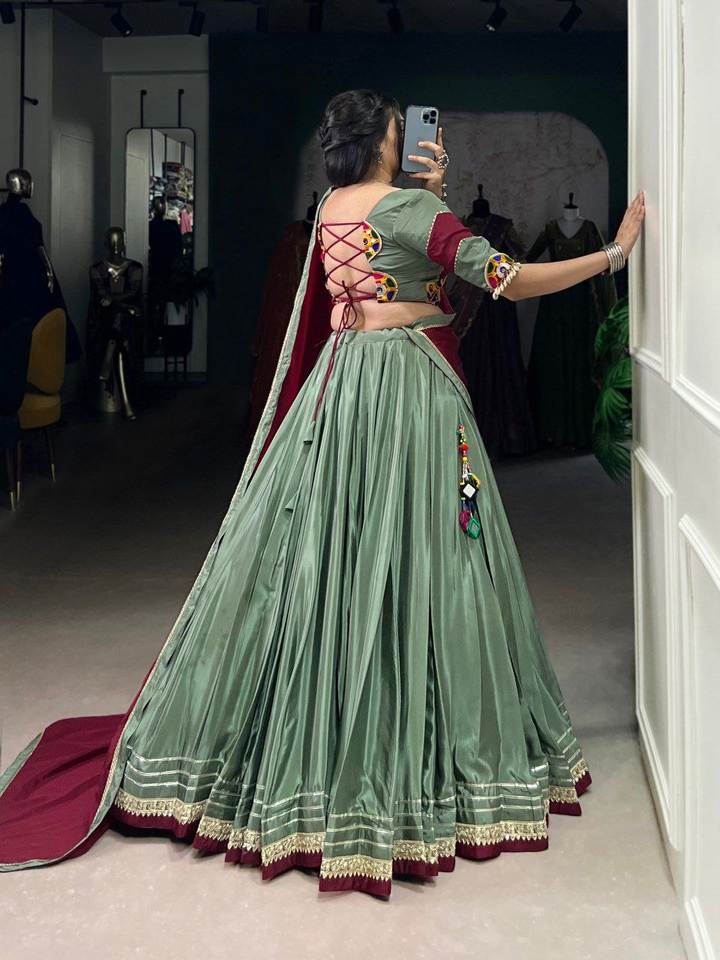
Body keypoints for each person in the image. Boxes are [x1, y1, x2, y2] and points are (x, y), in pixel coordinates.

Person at [0, 89, 645, 898]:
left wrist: (433, 198)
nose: (404, 141)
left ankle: (328, 723)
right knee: (431, 552)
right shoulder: (410, 208)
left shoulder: (333, 206)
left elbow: (388, 269)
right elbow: (506, 282)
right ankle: (414, 739)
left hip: (340, 392)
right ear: (384, 142)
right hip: (407, 394)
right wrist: (613, 255)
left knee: (336, 548)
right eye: (398, 133)